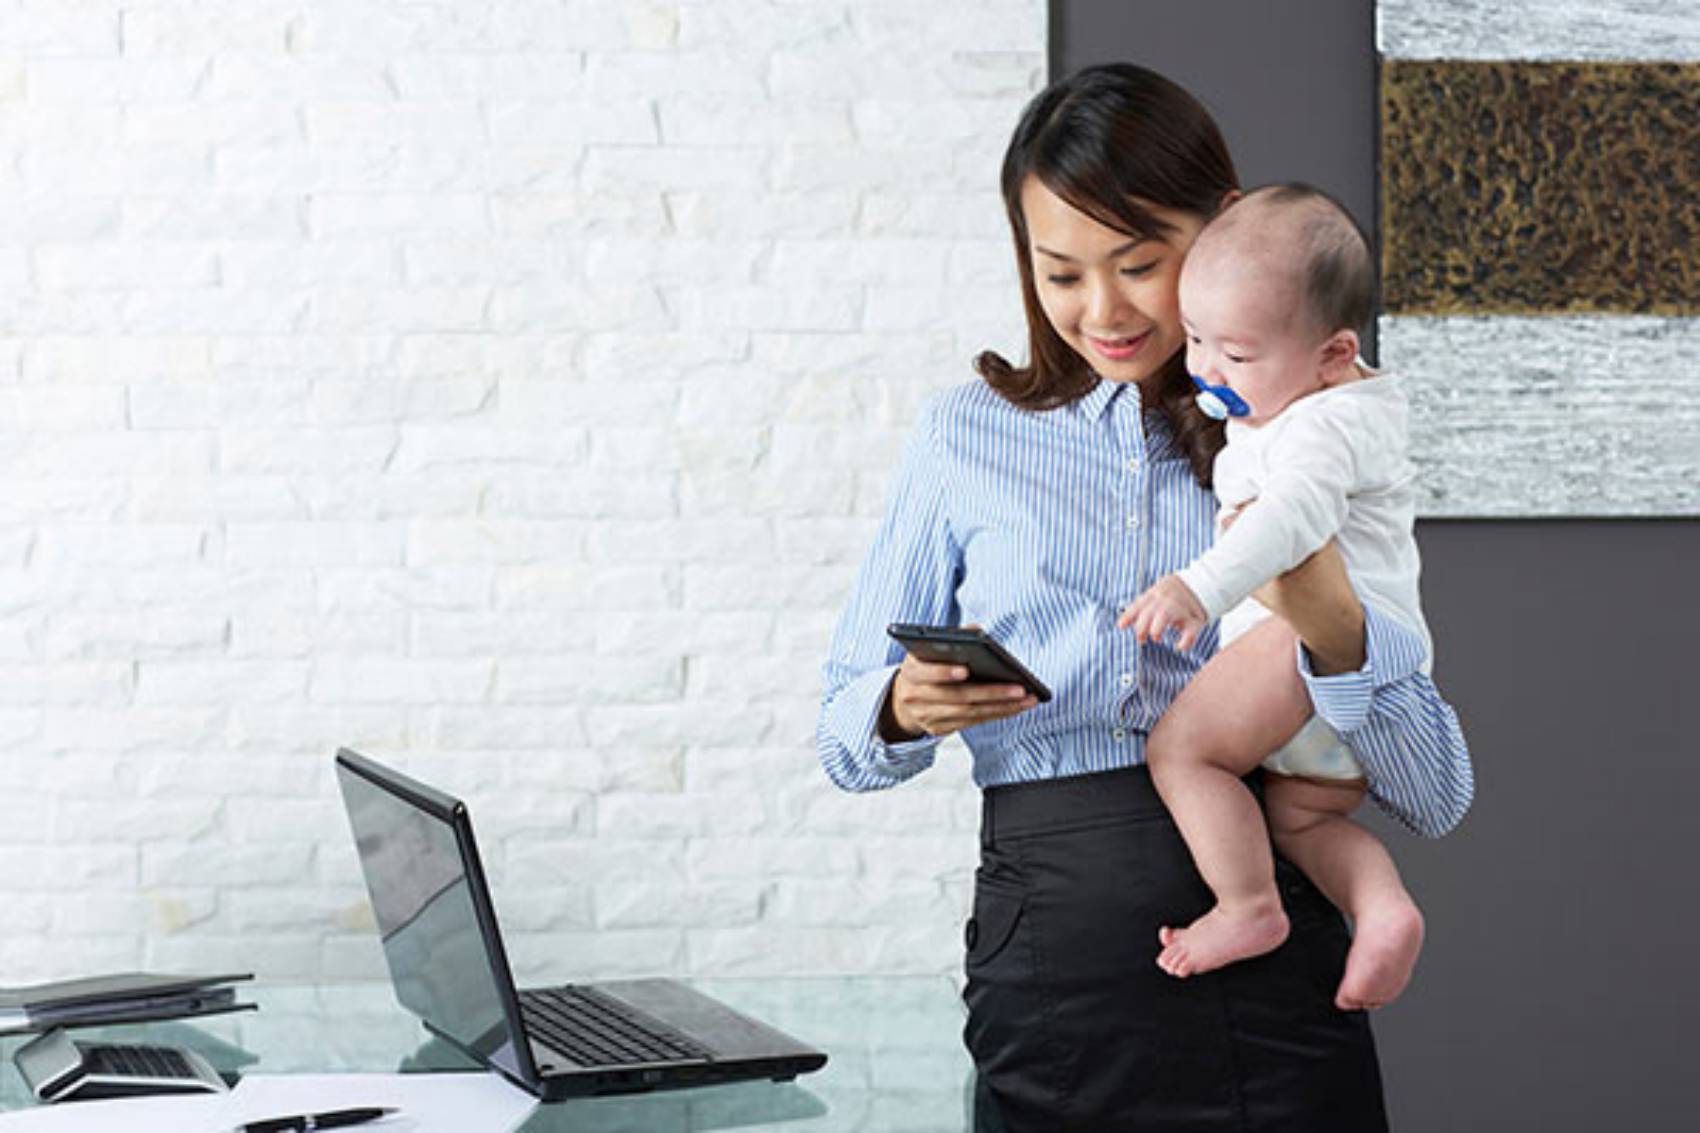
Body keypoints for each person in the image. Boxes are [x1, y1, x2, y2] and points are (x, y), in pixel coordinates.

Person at [817, 63, 1473, 1132]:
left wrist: (1335, 633)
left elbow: (1436, 793)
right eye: (1059, 274)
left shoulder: (1299, 443)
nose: (1101, 310)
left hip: (1276, 990)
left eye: (1136, 264)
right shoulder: (963, 435)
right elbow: (842, 738)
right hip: (1048, 978)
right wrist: (900, 703)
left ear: (1218, 233)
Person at [1119, 184, 1428, 1012]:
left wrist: (1198, 585)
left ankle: (1249, 906)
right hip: (1345, 682)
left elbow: (1289, 523)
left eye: (1238, 354)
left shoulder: (1323, 427)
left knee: (1183, 753)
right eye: (1195, 339)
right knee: (1304, 819)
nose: (1206, 370)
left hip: (1304, 643)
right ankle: (1383, 906)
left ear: (1334, 353)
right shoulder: (1317, 402)